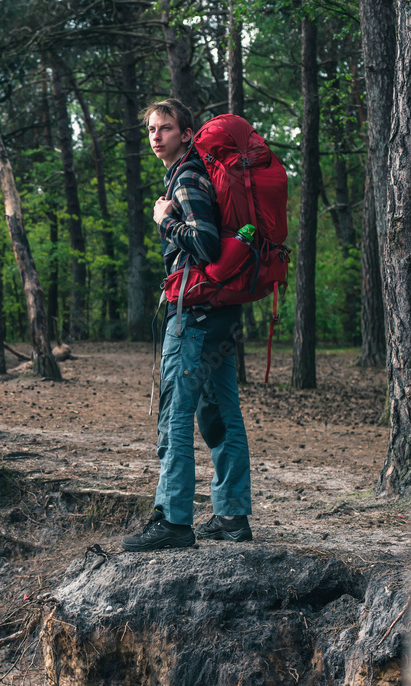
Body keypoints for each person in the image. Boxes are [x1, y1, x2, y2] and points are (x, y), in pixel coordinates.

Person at [121, 99, 253, 551]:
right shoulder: (194, 173)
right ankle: (232, 516)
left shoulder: (188, 178)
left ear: (187, 132)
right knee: (220, 412)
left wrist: (165, 221)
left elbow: (205, 244)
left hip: (193, 317)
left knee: (175, 412)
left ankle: (174, 520)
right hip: (218, 316)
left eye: (166, 128)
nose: (156, 136)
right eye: (151, 128)